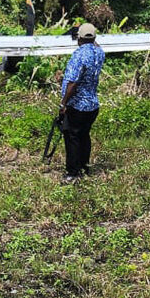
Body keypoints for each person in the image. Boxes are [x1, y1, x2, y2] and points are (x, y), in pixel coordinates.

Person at [59, 23, 105, 184]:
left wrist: (63, 103)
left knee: (71, 136)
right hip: (92, 105)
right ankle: (84, 166)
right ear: (94, 38)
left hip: (78, 104)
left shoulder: (78, 55)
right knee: (84, 135)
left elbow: (72, 82)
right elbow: (94, 44)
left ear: (78, 38)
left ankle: (73, 172)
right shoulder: (99, 53)